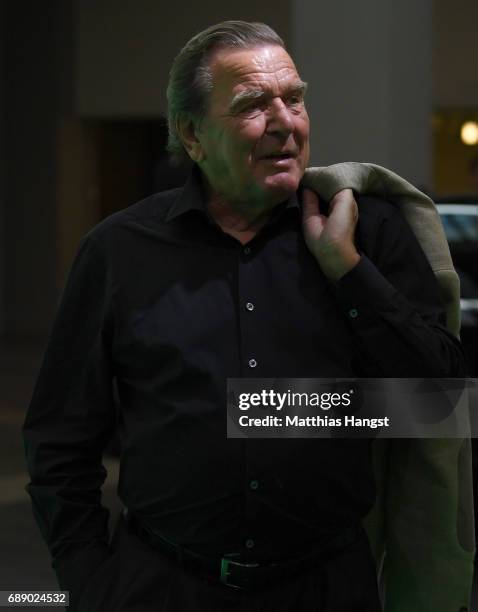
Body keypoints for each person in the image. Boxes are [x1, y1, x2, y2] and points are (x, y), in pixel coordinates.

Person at [23, 21, 466, 612]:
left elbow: (438, 405)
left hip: (327, 587)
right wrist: (89, 581)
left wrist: (347, 270)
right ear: (193, 135)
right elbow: (60, 439)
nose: (285, 121)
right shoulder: (119, 252)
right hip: (162, 585)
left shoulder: (365, 230)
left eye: (295, 98)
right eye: (254, 104)